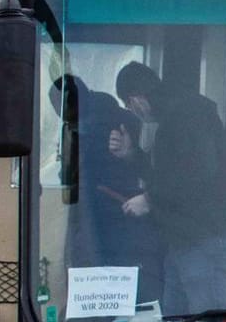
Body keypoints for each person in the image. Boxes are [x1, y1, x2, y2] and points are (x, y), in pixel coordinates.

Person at [114, 61, 226, 312]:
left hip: (205, 241)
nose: (133, 111)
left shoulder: (188, 116)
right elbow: (172, 176)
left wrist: (148, 200)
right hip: (187, 241)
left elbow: (197, 175)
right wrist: (133, 155)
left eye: (129, 105)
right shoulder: (179, 116)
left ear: (135, 99)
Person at [48, 75, 163, 305]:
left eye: (62, 107)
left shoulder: (112, 123)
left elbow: (77, 177)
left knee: (116, 292)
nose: (61, 115)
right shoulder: (80, 125)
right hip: (106, 219)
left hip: (118, 218)